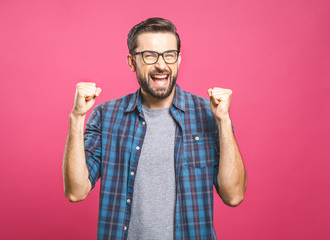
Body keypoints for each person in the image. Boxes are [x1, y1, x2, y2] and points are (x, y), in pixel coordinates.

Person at [62, 17, 247, 240]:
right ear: (132, 61)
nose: (161, 65)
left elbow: (234, 196)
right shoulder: (106, 116)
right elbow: (76, 191)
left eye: (169, 55)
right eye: (149, 55)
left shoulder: (210, 114)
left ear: (178, 59)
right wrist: (77, 116)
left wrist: (224, 121)